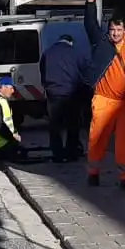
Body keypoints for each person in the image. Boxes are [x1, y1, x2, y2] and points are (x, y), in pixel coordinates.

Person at [83, 0, 125, 190]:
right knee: (97, 137)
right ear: (108, 30)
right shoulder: (101, 42)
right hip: (103, 99)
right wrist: (90, 2)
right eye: (112, 30)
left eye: (119, 30)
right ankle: (93, 173)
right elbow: (90, 24)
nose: (115, 33)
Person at [38, 31, 86, 162]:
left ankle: (57, 154)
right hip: (72, 94)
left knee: (54, 126)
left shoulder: (47, 53)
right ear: (70, 42)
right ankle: (71, 153)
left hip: (54, 94)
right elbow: (84, 72)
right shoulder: (76, 52)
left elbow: (42, 71)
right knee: (73, 124)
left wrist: (47, 86)